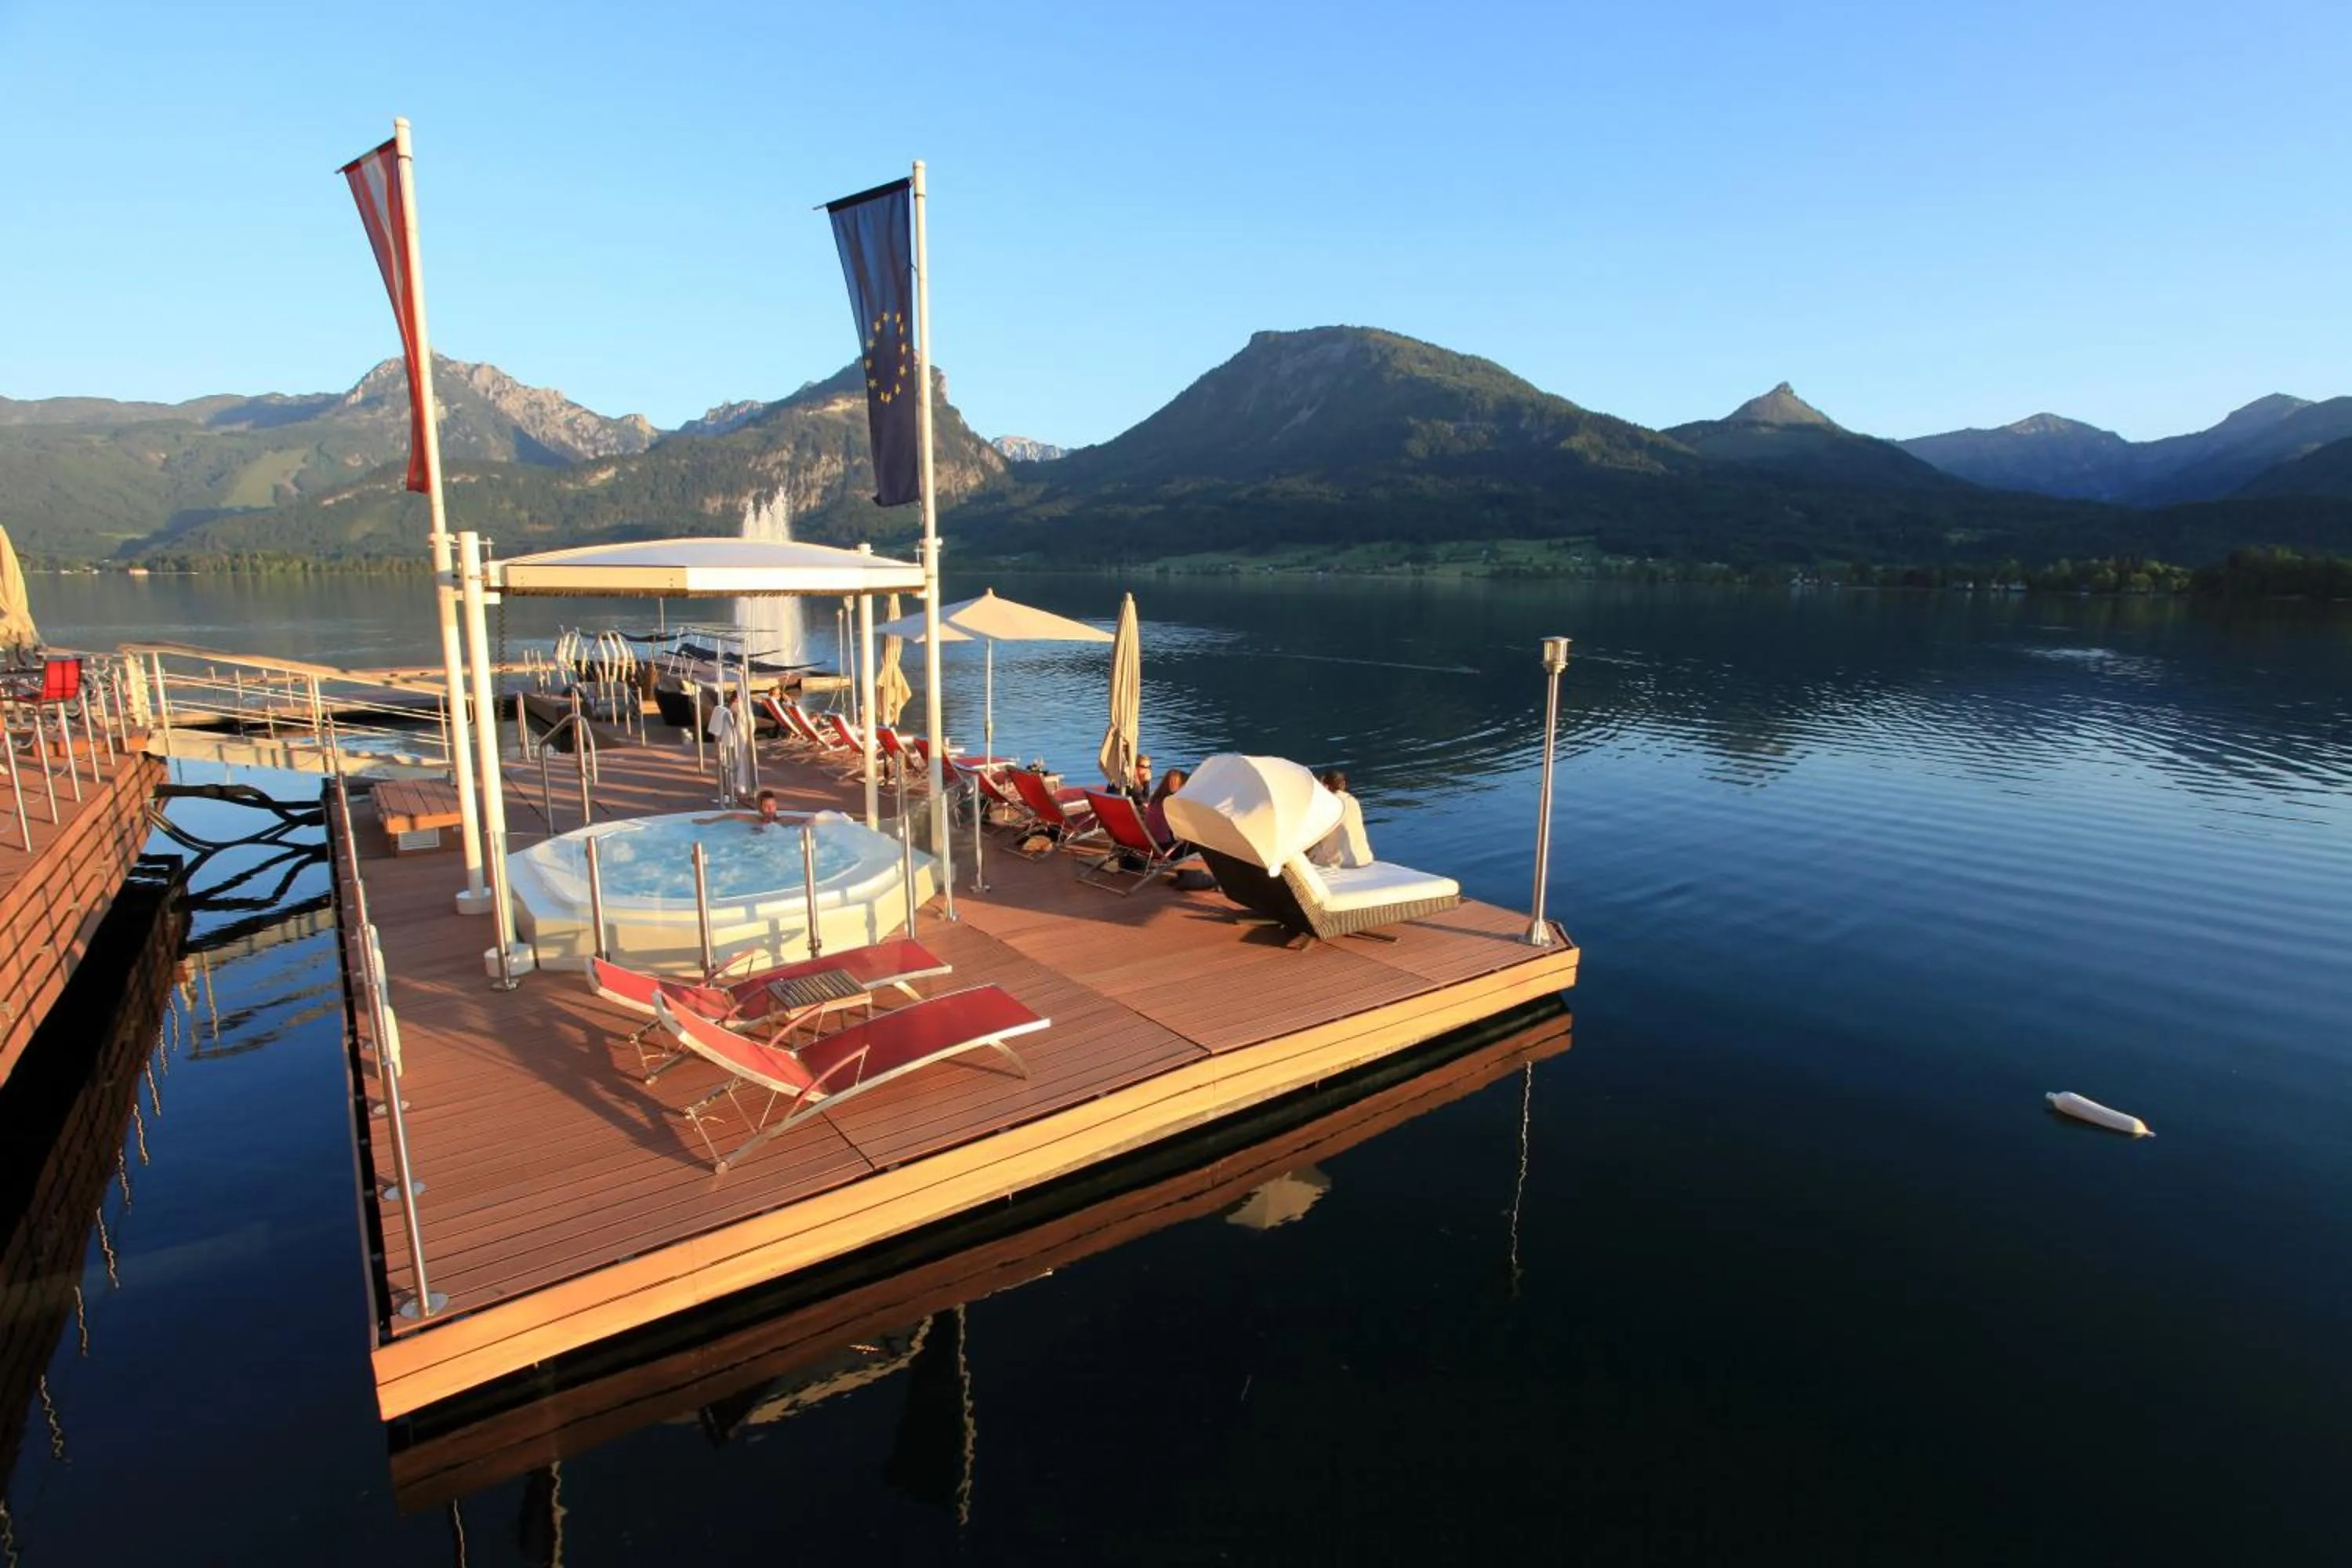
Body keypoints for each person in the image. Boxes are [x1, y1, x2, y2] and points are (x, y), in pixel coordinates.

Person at [1308, 769, 1374, 868]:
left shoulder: (1325, 803)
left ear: (1325, 785)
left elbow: (1312, 834)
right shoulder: (1353, 801)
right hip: (1364, 858)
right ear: (1343, 784)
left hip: (1338, 862)